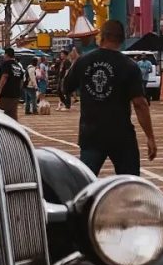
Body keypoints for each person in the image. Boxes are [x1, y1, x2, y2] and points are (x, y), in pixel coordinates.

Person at [63, 19, 157, 175]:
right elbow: (140, 104)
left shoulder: (83, 61)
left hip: (91, 133)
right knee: (129, 184)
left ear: (102, 36)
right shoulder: (129, 66)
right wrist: (150, 137)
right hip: (121, 135)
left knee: (85, 185)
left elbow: (66, 87)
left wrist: (73, 62)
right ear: (122, 39)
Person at [0, 47, 24, 119]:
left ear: (6, 54)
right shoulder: (18, 66)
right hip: (16, 94)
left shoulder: (6, 64)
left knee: (5, 115)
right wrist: (18, 90)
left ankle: (8, 129)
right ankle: (15, 128)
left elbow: (4, 76)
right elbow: (21, 80)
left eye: (4, 54)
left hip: (6, 94)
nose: (4, 56)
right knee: (13, 114)